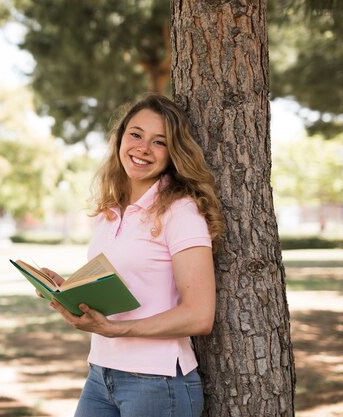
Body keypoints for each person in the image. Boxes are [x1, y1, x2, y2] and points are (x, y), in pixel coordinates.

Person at [41, 94, 224, 417]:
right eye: (136, 134)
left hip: (158, 382)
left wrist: (118, 329)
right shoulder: (109, 211)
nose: (142, 148)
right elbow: (124, 287)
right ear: (121, 137)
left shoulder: (181, 211)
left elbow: (199, 315)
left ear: (173, 153)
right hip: (101, 373)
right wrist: (70, 291)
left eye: (159, 142)